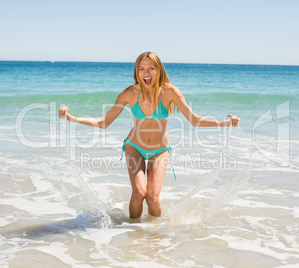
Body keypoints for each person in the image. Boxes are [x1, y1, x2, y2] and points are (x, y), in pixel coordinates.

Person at [59, 52, 240, 219]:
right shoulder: (129, 93)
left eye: (151, 68)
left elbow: (195, 120)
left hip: (159, 150)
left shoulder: (170, 92)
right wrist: (71, 118)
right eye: (142, 69)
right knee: (138, 193)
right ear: (137, 72)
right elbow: (104, 123)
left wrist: (224, 123)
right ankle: (133, 235)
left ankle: (155, 238)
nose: (146, 73)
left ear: (158, 70)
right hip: (134, 147)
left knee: (152, 198)